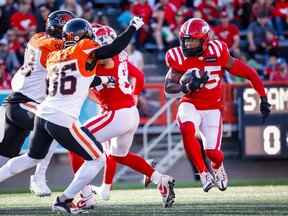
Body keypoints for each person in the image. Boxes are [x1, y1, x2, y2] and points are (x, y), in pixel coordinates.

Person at [0, 17, 144, 214]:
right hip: (62, 117)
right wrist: (132, 28)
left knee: (32, 157)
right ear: (84, 37)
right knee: (97, 159)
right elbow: (111, 50)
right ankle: (64, 199)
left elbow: (78, 78)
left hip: (43, 113)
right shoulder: (84, 48)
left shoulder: (55, 56)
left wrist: (101, 80)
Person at [69, 25, 176, 209]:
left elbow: (103, 60)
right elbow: (136, 76)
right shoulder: (121, 56)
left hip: (117, 113)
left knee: (75, 141)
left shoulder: (105, 58)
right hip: (128, 113)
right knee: (120, 155)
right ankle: (161, 180)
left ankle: (85, 195)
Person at [164, 18, 271, 192]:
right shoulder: (177, 57)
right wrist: (187, 87)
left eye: (193, 41)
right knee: (186, 128)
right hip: (190, 103)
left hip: (213, 108)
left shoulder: (218, 52)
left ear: (205, 40)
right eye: (186, 41)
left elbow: (249, 73)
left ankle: (217, 167)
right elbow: (168, 90)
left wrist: (263, 97)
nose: (188, 45)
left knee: (213, 153)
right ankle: (203, 173)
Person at [0, 10, 75, 197]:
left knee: (6, 152)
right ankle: (38, 177)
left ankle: (38, 177)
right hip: (24, 102)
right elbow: (70, 53)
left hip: (20, 102)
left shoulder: (38, 38)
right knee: (52, 126)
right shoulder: (49, 44)